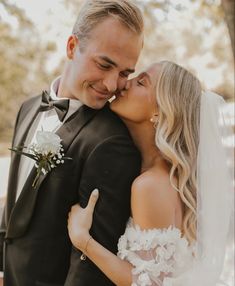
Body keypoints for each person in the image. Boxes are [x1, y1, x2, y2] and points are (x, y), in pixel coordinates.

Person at [0, 1, 144, 285]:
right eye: (104, 64)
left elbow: (90, 264)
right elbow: (14, 202)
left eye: (125, 73)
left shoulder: (111, 143)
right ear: (71, 47)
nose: (113, 84)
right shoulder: (28, 108)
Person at [68, 61, 233, 286]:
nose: (124, 84)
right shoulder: (159, 174)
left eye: (141, 82)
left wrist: (83, 240)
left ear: (160, 110)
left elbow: (150, 283)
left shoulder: (150, 185)